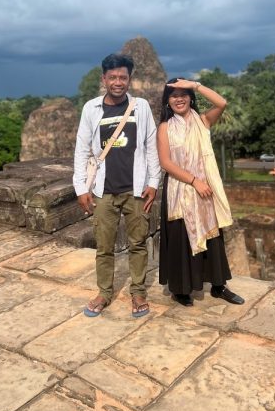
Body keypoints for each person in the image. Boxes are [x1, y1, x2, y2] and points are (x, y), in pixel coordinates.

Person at [73, 53, 161, 318]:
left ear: (129, 79)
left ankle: (138, 292)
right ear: (104, 79)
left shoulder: (141, 107)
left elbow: (150, 147)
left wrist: (154, 183)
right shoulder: (92, 109)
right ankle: (104, 292)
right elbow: (81, 149)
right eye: (113, 77)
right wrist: (81, 188)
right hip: (103, 190)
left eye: (123, 77)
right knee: (104, 246)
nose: (118, 82)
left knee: (137, 243)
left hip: (135, 188)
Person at [157, 78, 244, 306]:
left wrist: (194, 85)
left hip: (205, 189)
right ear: (167, 101)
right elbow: (166, 163)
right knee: (181, 240)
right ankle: (181, 289)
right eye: (173, 95)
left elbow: (222, 103)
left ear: (191, 98)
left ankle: (218, 285)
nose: (179, 99)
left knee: (212, 238)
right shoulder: (165, 127)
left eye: (183, 94)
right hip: (180, 189)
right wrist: (194, 181)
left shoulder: (203, 121)